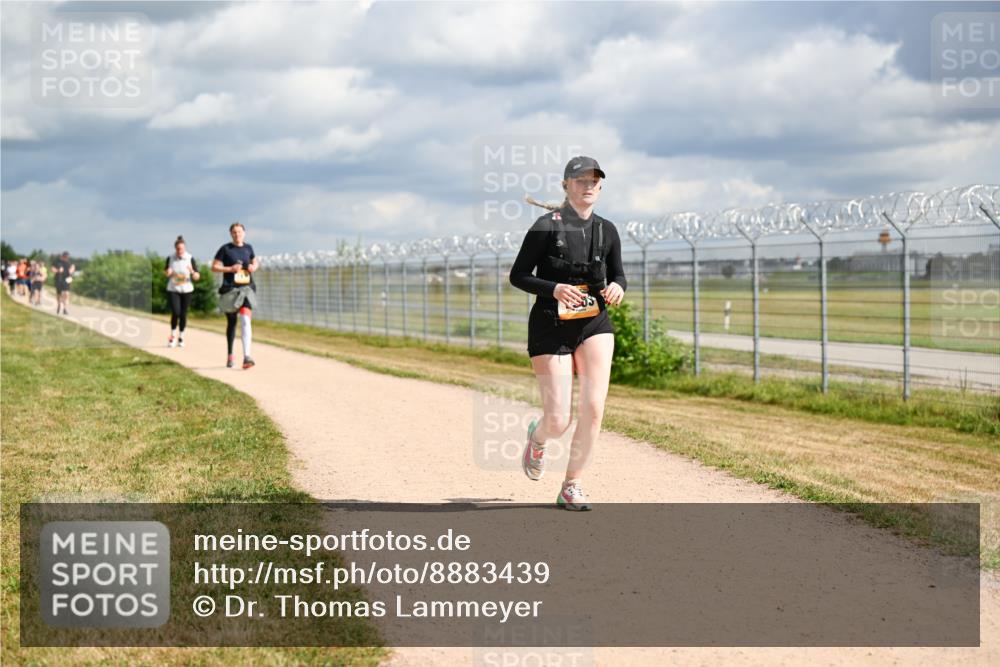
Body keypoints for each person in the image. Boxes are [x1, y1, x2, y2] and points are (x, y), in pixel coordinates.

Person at [509, 156, 627, 511]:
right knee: (558, 419)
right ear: (566, 185)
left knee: (593, 407)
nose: (587, 185)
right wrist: (555, 288)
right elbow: (519, 276)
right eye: (580, 180)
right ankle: (539, 437)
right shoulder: (546, 227)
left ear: (601, 187)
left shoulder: (607, 230)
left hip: (594, 324)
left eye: (594, 181)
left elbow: (619, 274)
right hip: (550, 323)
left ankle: (571, 484)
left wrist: (619, 288)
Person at [212, 222, 259, 369]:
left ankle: (247, 357)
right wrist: (230, 269)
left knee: (245, 320)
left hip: (246, 289)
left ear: (244, 233)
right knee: (232, 324)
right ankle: (230, 354)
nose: (237, 234)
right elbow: (214, 267)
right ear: (231, 234)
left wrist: (253, 267)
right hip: (230, 290)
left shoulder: (248, 248)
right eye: (234, 232)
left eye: (239, 232)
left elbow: (255, 261)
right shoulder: (225, 249)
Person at [164, 236, 200, 348]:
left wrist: (192, 271)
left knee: (183, 314)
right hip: (173, 289)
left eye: (182, 249)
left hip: (187, 290)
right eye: (178, 249)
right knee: (176, 312)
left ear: (184, 248)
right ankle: (172, 337)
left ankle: (181, 337)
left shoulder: (190, 258)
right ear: (175, 248)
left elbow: (197, 277)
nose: (180, 251)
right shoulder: (170, 258)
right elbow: (166, 273)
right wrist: (168, 273)